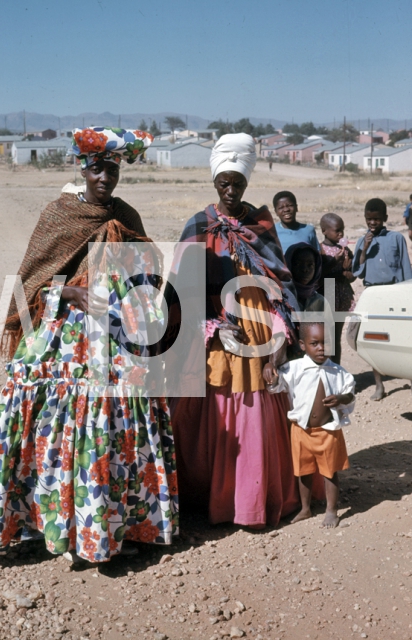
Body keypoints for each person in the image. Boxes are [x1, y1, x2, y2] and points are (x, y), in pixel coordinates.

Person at [0, 127, 179, 563]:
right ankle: (47, 522)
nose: (105, 177)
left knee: (116, 425)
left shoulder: (126, 215)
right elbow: (30, 281)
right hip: (66, 338)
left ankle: (111, 526)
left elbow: (149, 267)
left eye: (112, 169)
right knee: (57, 424)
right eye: (97, 168)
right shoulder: (60, 214)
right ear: (83, 169)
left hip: (118, 334)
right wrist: (70, 293)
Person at [167, 132, 301, 529]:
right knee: (220, 412)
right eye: (224, 183)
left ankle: (253, 502)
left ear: (247, 184)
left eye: (238, 184)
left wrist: (280, 331)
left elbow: (280, 285)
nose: (230, 190)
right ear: (214, 181)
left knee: (258, 410)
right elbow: (180, 293)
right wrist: (210, 328)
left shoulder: (260, 225)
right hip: (219, 337)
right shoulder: (198, 225)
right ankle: (215, 498)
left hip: (259, 331)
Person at [263, 322, 355, 528]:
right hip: (301, 431)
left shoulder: (339, 372)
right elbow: (277, 386)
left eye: (326, 343)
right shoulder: (294, 368)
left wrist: (341, 398)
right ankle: (305, 508)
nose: (321, 348)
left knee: (330, 472)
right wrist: (270, 370)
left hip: (328, 432)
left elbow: (350, 394)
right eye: (315, 343)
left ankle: (331, 510)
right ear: (303, 345)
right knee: (303, 471)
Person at [353, 198, 412, 400]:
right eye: (369, 219)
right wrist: (365, 249)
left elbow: (405, 269)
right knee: (375, 340)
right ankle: (379, 385)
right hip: (375, 296)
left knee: (403, 336)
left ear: (385, 218)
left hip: (394, 294)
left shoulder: (396, 238)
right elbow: (358, 271)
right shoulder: (362, 241)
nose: (372, 223)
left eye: (376, 219)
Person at [318, 213, 356, 364]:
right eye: (337, 230)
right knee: (327, 336)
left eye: (343, 230)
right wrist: (335, 262)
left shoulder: (345, 249)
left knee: (336, 336)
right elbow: (320, 274)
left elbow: (352, 275)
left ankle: (337, 370)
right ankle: (326, 371)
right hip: (328, 293)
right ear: (324, 231)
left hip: (342, 295)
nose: (341, 234)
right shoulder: (320, 250)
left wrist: (348, 272)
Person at [273, 191, 321, 255]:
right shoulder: (272, 232)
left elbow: (317, 255)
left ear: (296, 207)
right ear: (276, 212)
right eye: (281, 207)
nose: (286, 210)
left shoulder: (308, 230)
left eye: (290, 205)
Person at [285, 242, 325, 312]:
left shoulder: (320, 302)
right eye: (297, 264)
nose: (304, 270)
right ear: (289, 265)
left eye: (310, 265)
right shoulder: (281, 299)